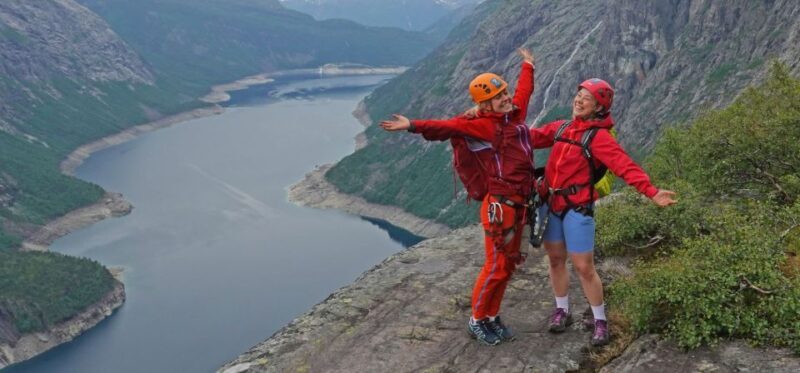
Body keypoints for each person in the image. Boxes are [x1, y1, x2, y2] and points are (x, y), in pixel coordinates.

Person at [380, 48, 536, 346]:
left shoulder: (512, 116)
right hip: (500, 208)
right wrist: (411, 125)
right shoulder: (476, 125)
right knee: (496, 265)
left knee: (509, 264)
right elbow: (445, 127)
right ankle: (477, 319)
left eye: (505, 92)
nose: (507, 98)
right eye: (500, 96)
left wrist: (528, 66)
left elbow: (524, 94)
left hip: (520, 205)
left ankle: (491, 316)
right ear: (484, 104)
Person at [530, 78, 677, 346]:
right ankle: (562, 310)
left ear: (599, 108)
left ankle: (600, 320)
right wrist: (492, 128)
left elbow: (623, 165)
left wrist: (651, 191)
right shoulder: (561, 127)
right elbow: (526, 139)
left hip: (577, 207)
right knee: (555, 259)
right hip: (550, 203)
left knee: (584, 266)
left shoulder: (598, 138)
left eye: (587, 98)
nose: (579, 100)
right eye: (579, 95)